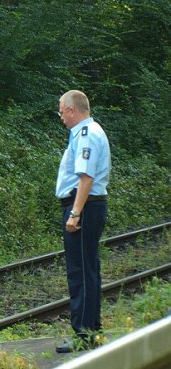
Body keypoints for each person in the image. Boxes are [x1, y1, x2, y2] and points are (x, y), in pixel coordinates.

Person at [54, 90, 111, 354]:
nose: (61, 116)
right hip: (88, 204)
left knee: (80, 272)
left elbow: (85, 177)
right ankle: (92, 329)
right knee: (87, 269)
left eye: (61, 111)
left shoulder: (86, 135)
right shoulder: (86, 132)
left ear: (72, 110)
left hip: (84, 205)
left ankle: (85, 335)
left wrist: (75, 213)